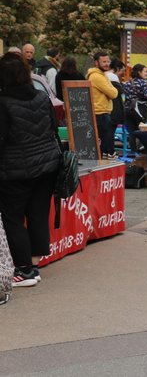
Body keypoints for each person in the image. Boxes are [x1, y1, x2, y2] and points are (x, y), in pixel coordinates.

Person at [0, 52, 60, 288]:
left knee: (13, 218)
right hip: (47, 166)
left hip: (15, 170)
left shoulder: (3, 102)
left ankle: (24, 269)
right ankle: (34, 264)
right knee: (37, 213)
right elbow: (53, 130)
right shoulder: (41, 96)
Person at [86, 51, 119, 159]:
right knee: (107, 145)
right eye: (103, 61)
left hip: (103, 112)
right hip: (100, 113)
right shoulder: (97, 77)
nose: (107, 64)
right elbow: (114, 93)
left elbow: (113, 91)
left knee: (105, 144)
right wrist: (113, 90)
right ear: (96, 63)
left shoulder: (102, 75)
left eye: (108, 61)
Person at [123, 64, 147, 152]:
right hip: (139, 110)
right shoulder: (143, 82)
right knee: (143, 131)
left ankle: (133, 153)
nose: (146, 73)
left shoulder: (128, 82)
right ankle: (142, 152)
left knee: (132, 132)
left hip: (128, 110)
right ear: (139, 72)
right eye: (145, 71)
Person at [107, 58, 126, 137]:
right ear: (117, 68)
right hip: (114, 108)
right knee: (110, 133)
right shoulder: (113, 77)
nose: (122, 73)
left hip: (107, 109)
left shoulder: (104, 75)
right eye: (122, 70)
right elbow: (120, 92)